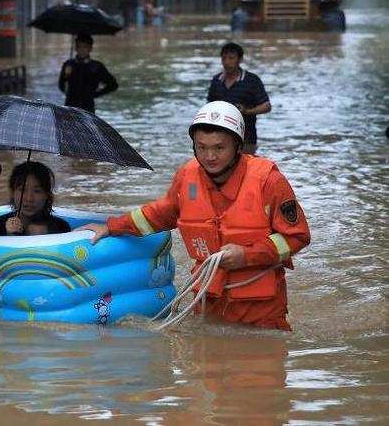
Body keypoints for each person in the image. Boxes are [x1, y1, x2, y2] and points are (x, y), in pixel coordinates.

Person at [77, 101, 311, 330]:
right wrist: (111, 226)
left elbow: (297, 236)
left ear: (238, 146)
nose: (210, 156)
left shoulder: (269, 181)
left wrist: (247, 255)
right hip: (208, 302)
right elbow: (159, 214)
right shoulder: (186, 176)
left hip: (261, 311)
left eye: (219, 148)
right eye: (202, 147)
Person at [207, 42, 271, 154]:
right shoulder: (216, 80)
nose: (227, 62)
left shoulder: (251, 80)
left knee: (246, 168)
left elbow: (266, 106)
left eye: (231, 58)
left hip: (246, 137)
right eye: (224, 58)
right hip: (220, 137)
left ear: (240, 59)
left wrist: (247, 111)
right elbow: (210, 106)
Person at [0, 161, 70, 236]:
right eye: (22, 190)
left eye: (37, 191)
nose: (29, 198)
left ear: (47, 195)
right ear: (12, 193)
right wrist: (10, 235)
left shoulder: (61, 228)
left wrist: (44, 238)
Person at [58, 33, 118, 114]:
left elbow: (113, 85)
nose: (81, 50)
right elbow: (61, 85)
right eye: (79, 47)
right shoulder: (68, 65)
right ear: (75, 48)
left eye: (85, 47)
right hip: (70, 107)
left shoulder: (96, 67)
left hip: (88, 108)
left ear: (90, 48)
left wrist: (95, 94)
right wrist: (66, 76)